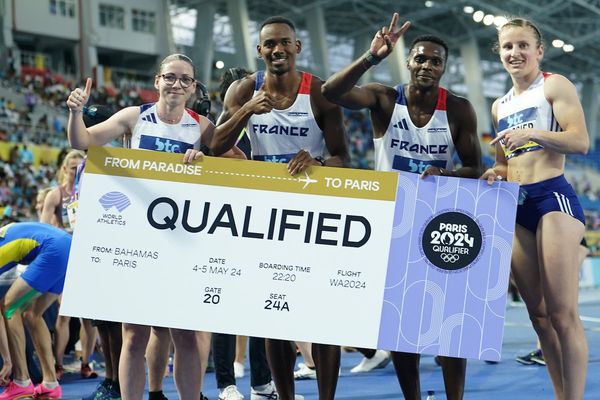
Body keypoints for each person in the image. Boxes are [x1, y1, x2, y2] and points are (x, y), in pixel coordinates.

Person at [322, 13, 482, 400]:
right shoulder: (383, 97)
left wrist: (447, 176)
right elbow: (331, 92)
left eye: (435, 61)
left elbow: (476, 167)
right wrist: (370, 57)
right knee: (400, 325)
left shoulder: (458, 110)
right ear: (409, 62)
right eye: (421, 59)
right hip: (390, 221)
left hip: (440, 223)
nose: (427, 65)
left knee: (448, 325)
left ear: (444, 68)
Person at [67, 53, 243, 400]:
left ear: (193, 87)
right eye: (171, 77)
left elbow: (240, 163)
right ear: (157, 81)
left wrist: (206, 159)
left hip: (181, 240)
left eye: (185, 79)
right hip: (137, 238)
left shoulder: (202, 126)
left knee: (186, 334)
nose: (177, 84)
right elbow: (82, 141)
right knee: (134, 334)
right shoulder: (135, 117)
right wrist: (75, 112)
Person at [211, 16, 349, 400]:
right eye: (269, 44)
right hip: (264, 214)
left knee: (320, 315)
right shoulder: (243, 89)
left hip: (312, 214)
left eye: (284, 42)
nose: (277, 49)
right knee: (269, 316)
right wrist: (246, 111)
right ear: (260, 51)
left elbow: (343, 157)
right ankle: (280, 395)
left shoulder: (319, 92)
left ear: (297, 47)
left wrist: (318, 163)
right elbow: (213, 147)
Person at [482, 18, 589, 399]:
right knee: (539, 317)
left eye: (523, 45)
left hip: (552, 200)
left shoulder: (553, 85)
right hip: (515, 206)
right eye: (508, 46)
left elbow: (580, 142)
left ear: (538, 51)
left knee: (562, 315)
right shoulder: (499, 106)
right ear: (500, 52)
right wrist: (493, 173)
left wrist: (533, 133)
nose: (515, 53)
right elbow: (503, 162)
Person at [39, 149, 99, 381]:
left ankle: (86, 362)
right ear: (64, 169)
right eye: (72, 168)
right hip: (64, 259)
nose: (76, 172)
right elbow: (43, 228)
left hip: (86, 257)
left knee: (88, 316)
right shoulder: (55, 195)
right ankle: (59, 364)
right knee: (64, 314)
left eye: (79, 168)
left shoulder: (90, 193)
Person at [0, 222, 72, 399]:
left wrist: (7, 360)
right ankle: (50, 383)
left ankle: (21, 381)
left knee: (9, 306)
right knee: (32, 314)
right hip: (68, 246)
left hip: (54, 248)